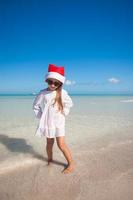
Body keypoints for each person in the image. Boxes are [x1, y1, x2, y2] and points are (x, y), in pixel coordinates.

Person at [33, 64, 74, 174]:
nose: (52, 85)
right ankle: (50, 160)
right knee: (49, 143)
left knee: (61, 144)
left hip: (59, 122)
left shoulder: (62, 93)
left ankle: (71, 163)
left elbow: (69, 103)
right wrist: (41, 116)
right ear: (47, 80)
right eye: (50, 82)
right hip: (48, 123)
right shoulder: (43, 93)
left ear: (60, 83)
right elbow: (35, 106)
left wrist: (64, 112)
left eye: (56, 83)